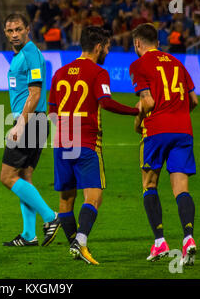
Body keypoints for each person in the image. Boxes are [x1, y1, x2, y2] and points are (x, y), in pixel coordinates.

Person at [48, 26, 140, 265]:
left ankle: (74, 246)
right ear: (98, 47)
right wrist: (135, 111)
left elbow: (51, 113)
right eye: (107, 47)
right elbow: (106, 102)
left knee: (65, 201)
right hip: (87, 143)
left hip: (61, 143)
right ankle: (80, 241)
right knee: (94, 197)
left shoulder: (59, 73)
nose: (108, 51)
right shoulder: (99, 72)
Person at [130, 23, 198, 266]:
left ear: (137, 43)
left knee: (149, 184)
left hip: (156, 130)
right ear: (157, 43)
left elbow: (146, 101)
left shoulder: (139, 65)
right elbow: (194, 100)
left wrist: (138, 122)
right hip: (183, 131)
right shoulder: (178, 63)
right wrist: (178, 114)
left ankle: (160, 242)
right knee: (181, 188)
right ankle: (188, 238)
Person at [0, 13, 60, 247]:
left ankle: (51, 217)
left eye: (18, 29)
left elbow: (35, 93)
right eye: (10, 30)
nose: (14, 34)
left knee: (7, 177)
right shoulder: (20, 55)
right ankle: (28, 235)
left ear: (28, 29)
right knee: (24, 176)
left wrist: (20, 124)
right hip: (33, 122)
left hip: (31, 122)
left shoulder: (31, 54)